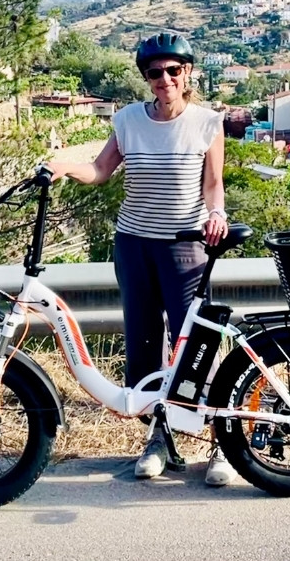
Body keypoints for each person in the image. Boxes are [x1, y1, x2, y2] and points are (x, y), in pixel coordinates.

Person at [45, 32, 236, 487]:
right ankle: (159, 437)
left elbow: (213, 185)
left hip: (185, 245)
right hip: (134, 244)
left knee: (197, 345)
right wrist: (65, 166)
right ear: (145, 78)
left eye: (174, 70)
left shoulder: (207, 122)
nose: (165, 79)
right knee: (145, 344)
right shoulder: (128, 119)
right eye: (155, 72)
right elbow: (100, 170)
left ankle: (221, 443)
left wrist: (217, 213)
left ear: (187, 73)